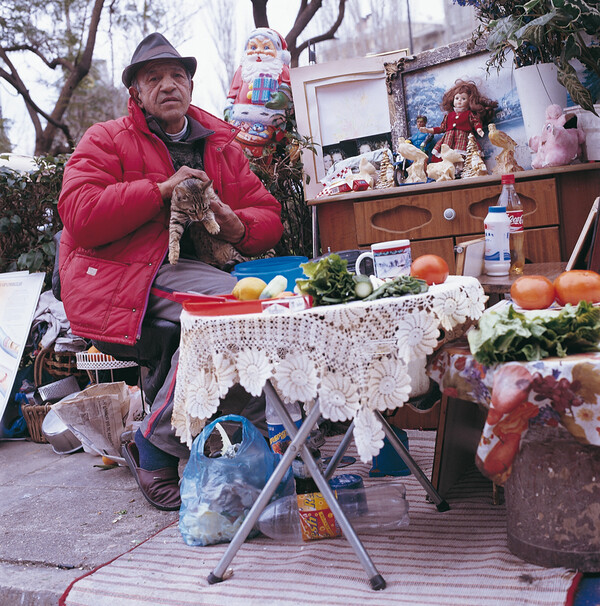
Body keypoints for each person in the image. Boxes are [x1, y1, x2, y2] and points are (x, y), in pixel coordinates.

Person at [58, 33, 283, 511]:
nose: (167, 85)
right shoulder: (106, 138)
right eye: (152, 77)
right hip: (124, 277)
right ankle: (155, 447)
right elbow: (80, 214)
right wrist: (160, 189)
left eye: (177, 75)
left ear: (190, 86)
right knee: (231, 313)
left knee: (272, 312)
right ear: (135, 93)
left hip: (197, 271)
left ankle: (249, 445)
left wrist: (235, 222)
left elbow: (268, 215)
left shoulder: (219, 142)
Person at [224, 27, 293, 158]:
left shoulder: (281, 69)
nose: (259, 52)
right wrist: (228, 108)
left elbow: (286, 85)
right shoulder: (242, 70)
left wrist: (282, 98)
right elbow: (233, 91)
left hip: (271, 120)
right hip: (240, 119)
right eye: (253, 47)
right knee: (239, 149)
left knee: (269, 151)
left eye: (266, 48)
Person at [420, 79, 497, 166]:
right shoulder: (449, 115)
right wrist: (428, 130)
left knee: (462, 154)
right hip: (448, 140)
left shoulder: (469, 114)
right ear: (452, 100)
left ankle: (461, 170)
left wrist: (479, 129)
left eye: (463, 99)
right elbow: (442, 128)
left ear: (469, 101)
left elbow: (475, 122)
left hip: (463, 138)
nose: (459, 101)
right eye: (457, 98)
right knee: (446, 155)